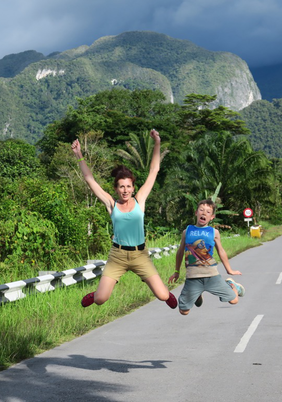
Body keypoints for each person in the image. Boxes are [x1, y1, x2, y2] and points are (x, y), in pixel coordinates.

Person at [71, 129, 177, 309]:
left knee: (162, 295)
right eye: (121, 187)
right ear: (116, 189)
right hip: (117, 256)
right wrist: (79, 155)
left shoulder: (140, 200)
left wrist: (157, 142)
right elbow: (90, 180)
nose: (125, 190)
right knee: (101, 299)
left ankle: (162, 290)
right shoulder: (111, 204)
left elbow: (154, 170)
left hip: (140, 255)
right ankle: (95, 294)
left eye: (128, 186)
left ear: (134, 188)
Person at [168, 199, 244, 315]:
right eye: (201, 210)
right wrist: (176, 271)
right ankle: (197, 294)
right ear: (196, 213)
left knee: (234, 300)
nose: (204, 213)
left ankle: (231, 285)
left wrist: (229, 270)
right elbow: (180, 252)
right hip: (193, 278)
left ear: (212, 217)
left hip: (212, 276)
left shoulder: (214, 232)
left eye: (208, 212)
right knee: (184, 311)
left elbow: (221, 251)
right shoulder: (187, 231)